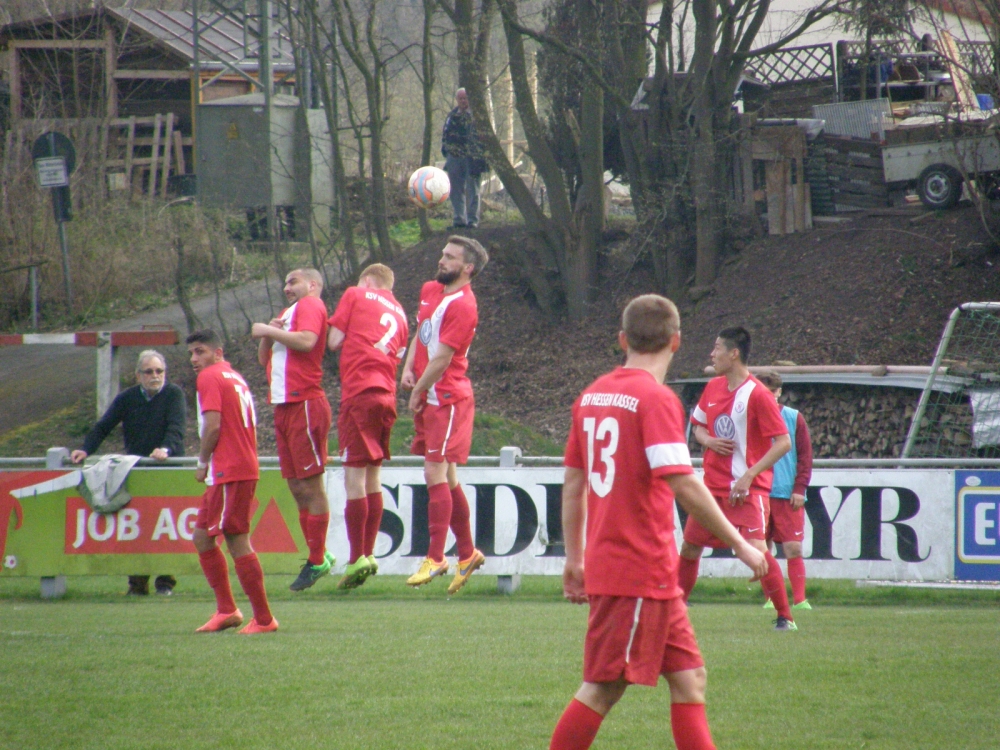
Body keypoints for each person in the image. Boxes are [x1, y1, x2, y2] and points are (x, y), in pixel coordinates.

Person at [550, 295, 768, 750]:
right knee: (603, 687)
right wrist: (741, 544)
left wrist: (574, 558)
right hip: (637, 568)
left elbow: (573, 484)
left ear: (622, 340)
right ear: (676, 341)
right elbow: (683, 483)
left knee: (690, 679)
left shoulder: (592, 395)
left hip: (645, 572)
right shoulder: (655, 399)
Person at [679, 327, 797, 631]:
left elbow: (783, 442)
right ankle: (675, 609)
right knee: (690, 547)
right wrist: (708, 441)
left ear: (734, 354)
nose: (712, 354)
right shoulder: (713, 387)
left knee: (757, 549)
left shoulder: (758, 394)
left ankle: (785, 616)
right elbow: (698, 427)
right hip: (712, 488)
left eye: (717, 348)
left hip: (746, 490)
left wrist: (749, 475)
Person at [400, 236, 489, 594]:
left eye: (450, 257)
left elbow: (442, 358)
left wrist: (419, 389)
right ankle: (467, 554)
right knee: (448, 476)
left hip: (448, 397)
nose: (441, 260)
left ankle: (436, 556)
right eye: (443, 254)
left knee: (433, 471)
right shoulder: (430, 290)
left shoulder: (465, 305)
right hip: (430, 393)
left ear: (468, 268)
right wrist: (408, 368)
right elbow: (421, 337)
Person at [71, 349, 185, 596]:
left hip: (167, 471)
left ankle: (165, 582)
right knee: (139, 528)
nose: (155, 376)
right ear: (138, 375)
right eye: (149, 372)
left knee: (166, 529)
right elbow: (104, 426)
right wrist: (85, 449)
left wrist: (165, 449)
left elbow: (176, 428)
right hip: (136, 471)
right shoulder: (127, 398)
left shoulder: (174, 394)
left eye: (159, 371)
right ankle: (137, 584)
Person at [188, 329, 277, 634]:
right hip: (233, 468)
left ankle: (264, 619)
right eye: (191, 353)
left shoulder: (210, 376)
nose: (194, 359)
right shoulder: (234, 376)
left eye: (200, 351)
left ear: (218, 352)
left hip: (230, 469)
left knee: (236, 538)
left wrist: (202, 462)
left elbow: (213, 426)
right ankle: (227, 610)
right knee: (202, 537)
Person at [251, 268, 335, 592]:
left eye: (293, 281)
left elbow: (307, 341)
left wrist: (264, 328)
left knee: (311, 486)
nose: (287, 287)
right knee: (297, 487)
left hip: (305, 402)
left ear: (312, 284)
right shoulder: (288, 313)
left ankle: (317, 559)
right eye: (285, 282)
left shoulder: (311, 304)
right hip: (284, 406)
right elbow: (265, 360)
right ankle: (319, 552)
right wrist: (268, 335)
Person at [327, 263, 409, 589]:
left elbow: (334, 340)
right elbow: (396, 355)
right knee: (373, 475)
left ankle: (356, 557)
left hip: (359, 391)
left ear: (367, 281)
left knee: (354, 478)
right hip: (386, 395)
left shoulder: (355, 294)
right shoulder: (402, 314)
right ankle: (370, 554)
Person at [757, 370, 814, 610]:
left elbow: (805, 456)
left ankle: (800, 600)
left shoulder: (793, 417)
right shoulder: (750, 417)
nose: (769, 395)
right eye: (764, 391)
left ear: (779, 392)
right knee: (762, 548)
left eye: (772, 391)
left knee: (793, 547)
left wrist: (800, 487)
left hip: (786, 493)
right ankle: (770, 599)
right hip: (759, 492)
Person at [441, 87, 486, 229]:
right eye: (460, 98)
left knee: (473, 189)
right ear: (457, 100)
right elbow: (445, 134)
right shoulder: (451, 116)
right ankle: (459, 220)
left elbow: (483, 138)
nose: (463, 101)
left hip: (472, 159)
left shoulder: (477, 116)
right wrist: (446, 151)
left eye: (465, 98)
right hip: (454, 157)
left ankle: (472, 220)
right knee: (455, 189)